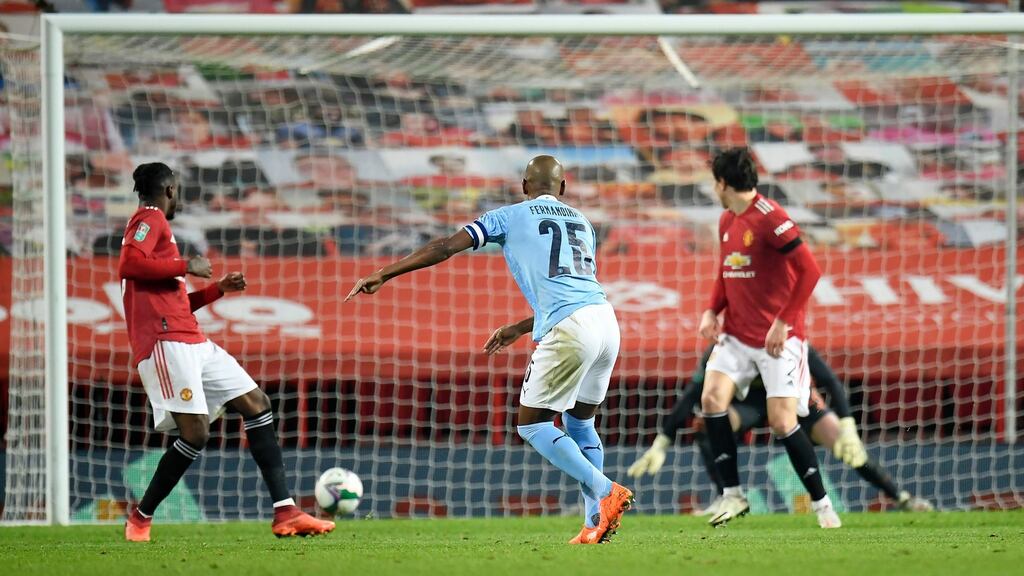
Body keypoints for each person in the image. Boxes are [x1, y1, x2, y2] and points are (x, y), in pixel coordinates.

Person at [347, 155, 633, 545]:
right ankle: (593, 523)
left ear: (523, 185)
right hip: (606, 321)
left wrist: (385, 272)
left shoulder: (508, 216)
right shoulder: (583, 222)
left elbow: (445, 247)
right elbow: (571, 292)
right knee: (581, 424)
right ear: (563, 187)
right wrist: (519, 327)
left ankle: (606, 490)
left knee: (532, 425)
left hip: (571, 329)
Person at [119, 162, 334, 542]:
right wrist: (187, 264)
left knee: (256, 402)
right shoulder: (149, 218)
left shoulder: (158, 231)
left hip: (190, 337)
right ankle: (140, 517)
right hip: (166, 342)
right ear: (169, 190)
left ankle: (286, 511)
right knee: (195, 434)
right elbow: (129, 264)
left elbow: (176, 304)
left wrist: (217, 289)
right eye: (177, 191)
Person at [697, 148, 840, 528]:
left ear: (722, 183)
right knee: (711, 400)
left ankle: (823, 504)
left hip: (778, 339)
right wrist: (712, 310)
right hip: (736, 335)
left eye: (714, 182)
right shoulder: (727, 219)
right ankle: (732, 495)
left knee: (781, 421)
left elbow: (810, 271)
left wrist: (783, 322)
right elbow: (727, 271)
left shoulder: (771, 217)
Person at [628, 345, 935, 514]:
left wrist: (848, 424)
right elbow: (691, 396)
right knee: (708, 424)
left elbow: (830, 381)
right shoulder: (721, 349)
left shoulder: (789, 339)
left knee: (843, 442)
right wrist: (662, 442)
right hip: (749, 404)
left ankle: (901, 497)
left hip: (793, 398)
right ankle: (729, 497)